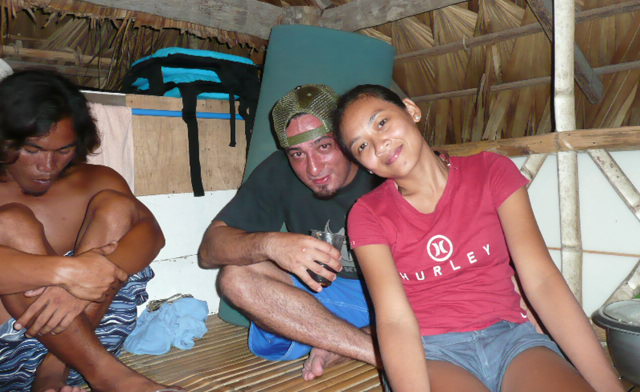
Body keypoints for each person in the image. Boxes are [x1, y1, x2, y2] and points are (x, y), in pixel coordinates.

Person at [334, 84, 625, 392]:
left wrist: (610, 388)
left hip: (512, 340)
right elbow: (394, 320)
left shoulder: (490, 171)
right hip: (431, 354)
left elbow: (542, 280)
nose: (379, 145)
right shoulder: (368, 214)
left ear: (411, 110)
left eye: (382, 123)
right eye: (361, 146)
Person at [0, 70, 183, 392]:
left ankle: (54, 371)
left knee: (116, 206)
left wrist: (82, 285)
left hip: (96, 335)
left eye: (63, 150)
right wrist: (70, 273)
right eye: (32, 150)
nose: (48, 165)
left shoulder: (95, 179)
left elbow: (153, 235)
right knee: (12, 222)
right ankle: (111, 378)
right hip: (11, 350)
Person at [198, 84, 384, 382]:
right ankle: (368, 350)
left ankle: (342, 344)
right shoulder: (279, 172)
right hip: (317, 303)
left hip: (393, 297)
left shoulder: (381, 166)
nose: (313, 168)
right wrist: (270, 244)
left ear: (346, 138)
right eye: (297, 153)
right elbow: (209, 250)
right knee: (235, 277)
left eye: (324, 146)